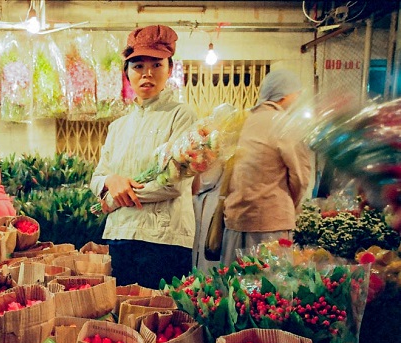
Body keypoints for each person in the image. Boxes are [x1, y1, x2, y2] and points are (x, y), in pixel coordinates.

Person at [89, 25, 198, 288]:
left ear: (169, 69)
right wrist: (111, 181)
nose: (147, 74)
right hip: (120, 235)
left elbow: (173, 183)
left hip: (163, 239)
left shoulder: (182, 116)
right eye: (138, 66)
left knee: (161, 320)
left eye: (157, 65)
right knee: (123, 321)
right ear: (127, 73)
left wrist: (114, 199)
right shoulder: (118, 127)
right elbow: (96, 178)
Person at [221, 69, 312, 266]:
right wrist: (289, 205)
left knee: (232, 288)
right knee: (270, 288)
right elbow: (300, 176)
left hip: (236, 220)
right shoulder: (284, 123)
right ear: (285, 95)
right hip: (271, 223)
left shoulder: (242, 121)